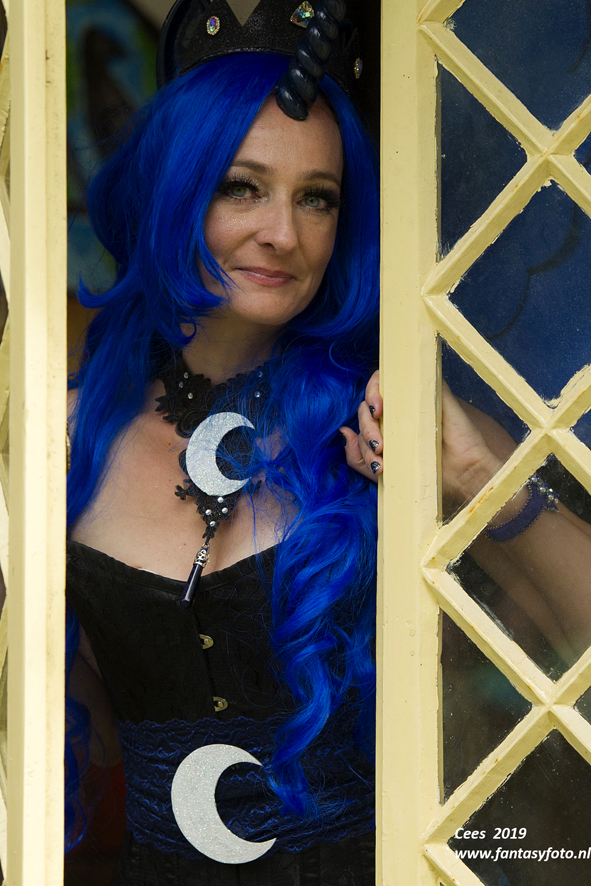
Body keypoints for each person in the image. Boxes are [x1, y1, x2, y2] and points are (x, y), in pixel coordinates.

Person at [65, 2, 380, 883]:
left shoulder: (384, 417)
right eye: (242, 186)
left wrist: (476, 477)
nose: (283, 233)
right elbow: (78, 731)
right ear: (174, 192)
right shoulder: (68, 435)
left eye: (316, 197)